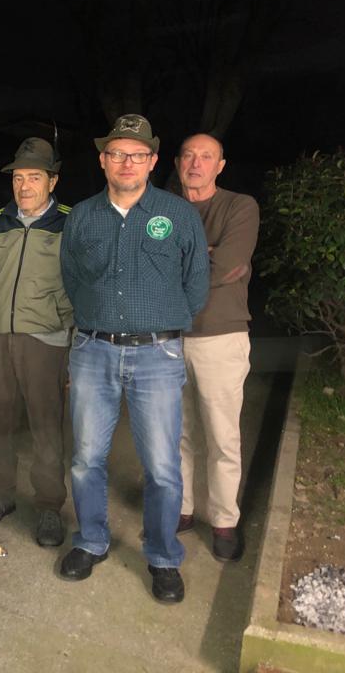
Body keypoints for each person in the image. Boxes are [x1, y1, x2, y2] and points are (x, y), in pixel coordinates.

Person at [59, 114, 209, 604]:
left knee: (163, 465)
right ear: (103, 160)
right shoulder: (83, 215)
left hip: (157, 353)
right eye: (117, 153)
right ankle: (91, 540)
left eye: (137, 154)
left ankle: (163, 557)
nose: (127, 162)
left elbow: (197, 283)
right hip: (93, 350)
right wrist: (97, 317)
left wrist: (164, 320)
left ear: (152, 161)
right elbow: (73, 278)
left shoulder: (178, 214)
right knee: (85, 457)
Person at [0, 138, 73, 548]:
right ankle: (1, 494)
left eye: (34, 177)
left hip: (45, 340)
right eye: (18, 177)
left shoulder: (68, 222)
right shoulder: (0, 221)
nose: (24, 186)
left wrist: (69, 336)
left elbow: (80, 285)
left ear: (53, 180)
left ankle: (49, 506)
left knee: (47, 426)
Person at [175, 133, 259, 563]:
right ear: (175, 162)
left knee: (223, 436)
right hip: (170, 338)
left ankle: (224, 519)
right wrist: (200, 256)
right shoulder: (162, 210)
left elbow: (227, 267)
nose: (196, 163)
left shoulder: (239, 207)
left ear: (220, 166)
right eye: (189, 155)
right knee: (177, 432)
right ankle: (183, 508)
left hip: (221, 338)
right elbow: (145, 266)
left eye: (206, 156)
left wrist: (180, 263)